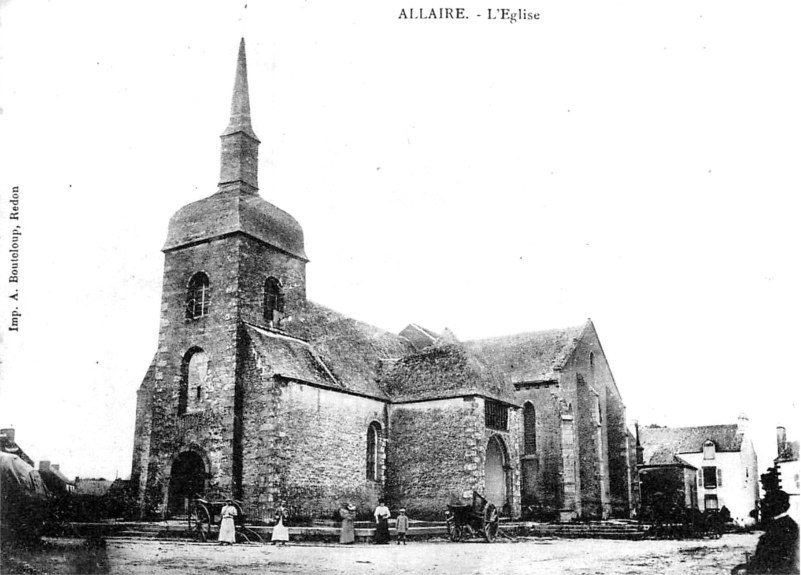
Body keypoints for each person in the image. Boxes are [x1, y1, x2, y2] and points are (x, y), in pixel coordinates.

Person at [732, 491, 799, 574]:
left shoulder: (782, 527)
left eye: (766, 503)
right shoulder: (783, 524)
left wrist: (749, 570)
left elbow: (773, 560)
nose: (762, 508)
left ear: (775, 506)